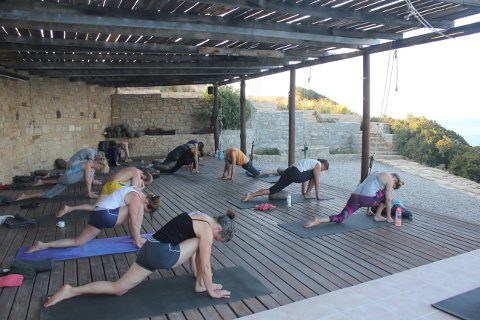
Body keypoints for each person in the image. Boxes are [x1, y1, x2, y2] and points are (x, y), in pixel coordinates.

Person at [43, 209, 237, 307]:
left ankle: (70, 291)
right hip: (162, 255)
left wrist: (199, 278)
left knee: (118, 288)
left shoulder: (200, 215)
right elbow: (204, 263)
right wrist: (211, 290)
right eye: (217, 238)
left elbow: (196, 258)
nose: (214, 240)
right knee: (202, 245)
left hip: (149, 248)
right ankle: (201, 286)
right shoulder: (206, 231)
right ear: (218, 229)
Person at [25, 186, 161, 254]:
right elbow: (133, 222)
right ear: (146, 201)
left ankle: (43, 245)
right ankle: (136, 238)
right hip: (107, 215)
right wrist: (137, 241)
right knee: (136, 212)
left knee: (78, 242)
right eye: (147, 208)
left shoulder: (135, 190)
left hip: (98, 214)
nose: (143, 209)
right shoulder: (137, 199)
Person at [304, 172, 404, 228]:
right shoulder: (390, 179)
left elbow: (370, 188)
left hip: (355, 197)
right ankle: (377, 216)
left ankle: (318, 220)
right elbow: (388, 199)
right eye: (394, 186)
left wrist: (368, 210)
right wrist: (389, 217)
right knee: (387, 194)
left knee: (341, 217)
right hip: (368, 199)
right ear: (395, 181)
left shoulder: (376, 173)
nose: (392, 187)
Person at [55, 167, 153, 217]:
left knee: (94, 206)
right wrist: (141, 188)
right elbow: (133, 188)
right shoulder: (137, 172)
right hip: (115, 186)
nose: (142, 183)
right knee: (131, 201)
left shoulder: (132, 169)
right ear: (144, 176)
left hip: (108, 186)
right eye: (145, 182)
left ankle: (69, 208)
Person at [16, 159, 109, 201]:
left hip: (66, 179)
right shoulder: (88, 165)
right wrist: (89, 194)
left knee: (48, 195)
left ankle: (25, 196)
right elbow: (87, 181)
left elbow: (89, 178)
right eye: (100, 168)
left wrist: (90, 191)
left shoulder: (90, 165)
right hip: (67, 178)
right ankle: (25, 196)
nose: (99, 169)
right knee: (52, 189)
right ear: (99, 163)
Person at [241, 158, 329, 202]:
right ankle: (307, 194)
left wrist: (303, 192)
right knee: (315, 176)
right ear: (323, 164)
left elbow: (304, 179)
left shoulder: (310, 162)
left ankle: (251, 195)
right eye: (323, 169)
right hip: (295, 174)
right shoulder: (318, 164)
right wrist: (318, 196)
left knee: (273, 189)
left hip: (288, 171)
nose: (321, 170)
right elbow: (317, 182)